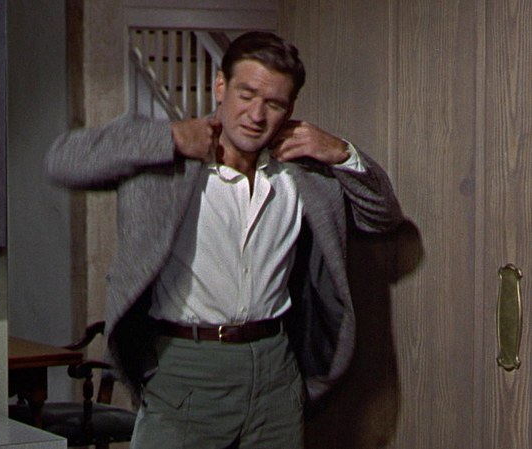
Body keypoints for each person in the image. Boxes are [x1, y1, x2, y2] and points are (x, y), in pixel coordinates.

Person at [45, 30, 404, 449]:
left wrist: (343, 153)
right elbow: (63, 162)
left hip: (275, 369)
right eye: (246, 95)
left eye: (274, 104)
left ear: (290, 109)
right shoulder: (166, 160)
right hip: (186, 366)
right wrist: (170, 138)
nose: (256, 115)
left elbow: (382, 217)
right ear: (221, 86)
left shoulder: (304, 174)